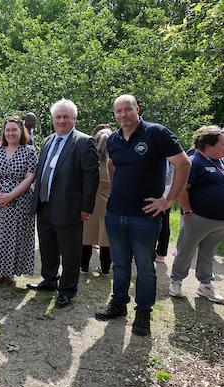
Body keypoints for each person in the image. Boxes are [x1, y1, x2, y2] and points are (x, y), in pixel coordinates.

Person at [95, 94, 191, 336]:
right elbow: (111, 165)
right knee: (119, 264)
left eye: (127, 109)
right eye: (118, 111)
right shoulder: (113, 139)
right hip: (116, 215)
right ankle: (118, 304)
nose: (123, 114)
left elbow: (184, 164)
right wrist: (118, 192)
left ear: (137, 109)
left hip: (145, 217)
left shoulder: (156, 133)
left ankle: (143, 313)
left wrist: (168, 200)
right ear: (114, 115)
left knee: (146, 268)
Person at [27, 98, 99, 309]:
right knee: (47, 246)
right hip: (45, 204)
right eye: (57, 117)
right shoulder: (49, 140)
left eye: (66, 116)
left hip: (70, 208)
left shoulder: (84, 142)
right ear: (53, 119)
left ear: (74, 119)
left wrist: (86, 207)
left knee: (70, 252)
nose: (61, 120)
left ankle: (67, 290)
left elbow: (91, 177)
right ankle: (49, 280)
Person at [169, 125, 224, 304]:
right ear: (209, 145)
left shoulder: (220, 162)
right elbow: (183, 188)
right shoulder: (195, 161)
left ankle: (205, 285)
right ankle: (176, 281)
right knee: (186, 250)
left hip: (219, 222)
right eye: (222, 145)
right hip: (197, 217)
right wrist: (187, 211)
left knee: (209, 254)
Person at [0, 116, 37, 284]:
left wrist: (11, 195)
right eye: (8, 130)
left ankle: (10, 273)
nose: (11, 133)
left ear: (21, 131)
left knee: (15, 237)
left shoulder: (29, 151)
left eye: (14, 129)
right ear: (4, 132)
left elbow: (30, 176)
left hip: (19, 202)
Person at [81, 126, 113, 275]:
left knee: (86, 237)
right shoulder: (114, 163)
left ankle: (84, 267)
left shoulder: (91, 161)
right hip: (108, 204)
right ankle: (105, 269)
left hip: (91, 203)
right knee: (106, 240)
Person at [155, 161, 174, 263]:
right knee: (164, 222)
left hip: (162, 192)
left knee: (159, 222)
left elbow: (168, 175)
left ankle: (160, 253)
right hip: (167, 191)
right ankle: (161, 253)